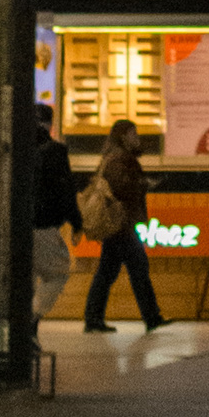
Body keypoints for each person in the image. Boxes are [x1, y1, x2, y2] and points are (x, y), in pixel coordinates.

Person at [79, 120, 163, 332]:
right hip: (121, 223)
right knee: (137, 268)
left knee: (108, 272)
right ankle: (152, 317)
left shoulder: (117, 156)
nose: (137, 138)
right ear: (124, 136)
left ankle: (93, 319)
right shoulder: (119, 158)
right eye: (134, 133)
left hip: (119, 223)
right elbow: (120, 187)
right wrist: (144, 184)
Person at [28, 102, 83, 310]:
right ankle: (30, 321)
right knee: (57, 273)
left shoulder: (14, 149)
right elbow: (66, 191)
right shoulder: (55, 151)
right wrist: (77, 223)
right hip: (43, 225)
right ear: (49, 125)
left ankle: (23, 329)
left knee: (26, 279)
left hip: (13, 227)